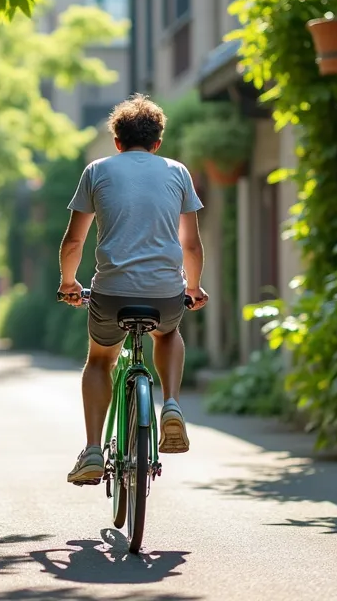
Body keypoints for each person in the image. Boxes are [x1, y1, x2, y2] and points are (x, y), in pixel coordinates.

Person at [57, 94, 209, 485]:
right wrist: (192, 287)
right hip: (164, 292)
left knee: (99, 361)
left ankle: (93, 450)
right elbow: (191, 244)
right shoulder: (177, 172)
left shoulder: (97, 170)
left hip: (110, 293)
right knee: (169, 331)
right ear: (157, 142)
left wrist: (68, 283)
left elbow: (73, 242)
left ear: (117, 141)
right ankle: (171, 403)